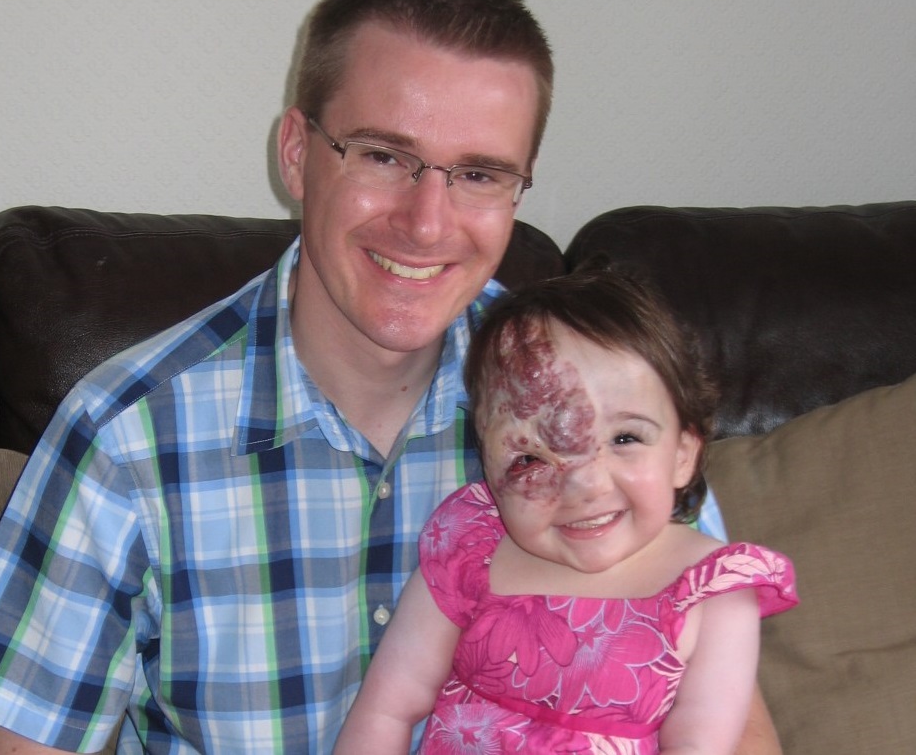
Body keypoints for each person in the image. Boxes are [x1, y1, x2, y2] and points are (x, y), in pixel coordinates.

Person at [0, 0, 780, 754]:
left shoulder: (609, 404)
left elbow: (730, 725)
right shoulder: (128, 439)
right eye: (384, 156)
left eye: (480, 174)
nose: (428, 223)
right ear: (295, 153)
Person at [334, 269, 798, 754]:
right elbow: (387, 708)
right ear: (489, 469)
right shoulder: (470, 548)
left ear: (684, 453)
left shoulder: (715, 593)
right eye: (531, 458)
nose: (584, 485)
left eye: (625, 438)